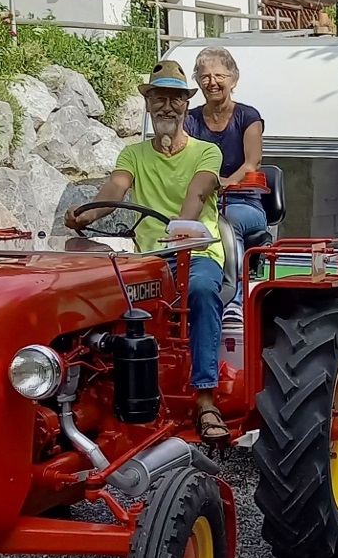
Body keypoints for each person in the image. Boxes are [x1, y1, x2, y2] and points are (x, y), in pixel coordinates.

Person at [63, 60, 230, 443]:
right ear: (149, 104)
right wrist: (85, 215)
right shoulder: (133, 154)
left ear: (187, 105)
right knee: (96, 296)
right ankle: (97, 396)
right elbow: (114, 190)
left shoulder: (207, 153)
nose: (167, 106)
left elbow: (198, 192)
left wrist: (182, 230)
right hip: (150, 261)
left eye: (174, 98)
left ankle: (205, 398)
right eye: (159, 98)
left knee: (203, 292)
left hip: (197, 252)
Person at [184, 46, 266, 328]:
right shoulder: (190, 120)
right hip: (201, 200)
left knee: (225, 223)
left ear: (234, 79)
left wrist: (224, 182)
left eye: (219, 75)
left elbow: (252, 162)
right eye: (205, 76)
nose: (212, 82)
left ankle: (235, 302)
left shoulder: (248, 116)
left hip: (244, 202)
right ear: (197, 81)